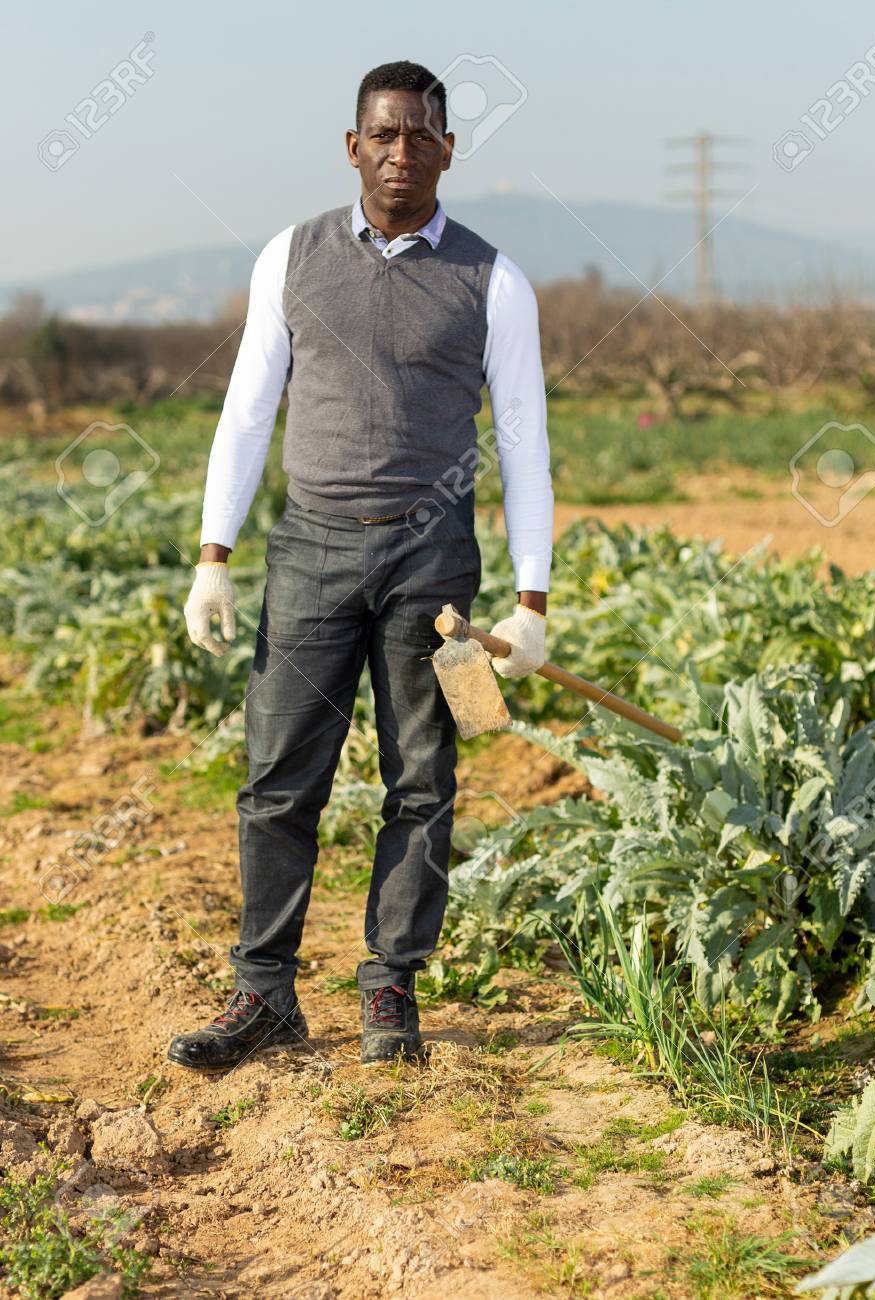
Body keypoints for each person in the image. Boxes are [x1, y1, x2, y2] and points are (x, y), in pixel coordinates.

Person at [167, 59, 553, 1071]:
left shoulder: (493, 280)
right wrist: (214, 555)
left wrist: (532, 597)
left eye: (420, 137)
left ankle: (391, 984)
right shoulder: (289, 258)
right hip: (310, 547)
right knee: (276, 776)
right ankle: (264, 992)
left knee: (424, 776)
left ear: (447, 150)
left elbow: (524, 439)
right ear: (353, 146)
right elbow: (248, 409)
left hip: (438, 566)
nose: (400, 154)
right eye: (382, 136)